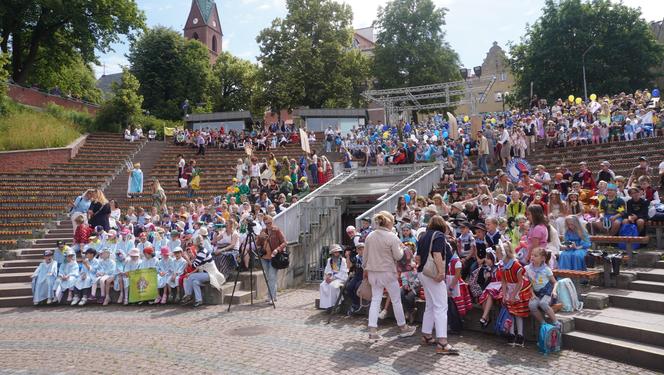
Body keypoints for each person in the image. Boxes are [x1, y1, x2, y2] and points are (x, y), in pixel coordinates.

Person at [363, 211, 417, 341]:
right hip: (387, 272)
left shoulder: (370, 236)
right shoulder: (392, 236)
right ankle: (403, 328)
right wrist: (403, 250)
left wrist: (366, 269)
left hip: (373, 272)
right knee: (396, 300)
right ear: (389, 222)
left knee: (376, 300)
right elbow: (398, 256)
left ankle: (372, 330)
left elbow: (364, 258)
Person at [415, 215, 459, 355]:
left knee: (431, 305)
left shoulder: (423, 236)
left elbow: (418, 257)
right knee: (441, 306)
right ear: (442, 226)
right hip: (432, 274)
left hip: (423, 272)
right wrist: (441, 272)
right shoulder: (439, 235)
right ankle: (442, 342)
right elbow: (437, 253)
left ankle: (427, 335)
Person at [500, 241, 532, 347]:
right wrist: (505, 295)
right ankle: (512, 333)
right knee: (511, 312)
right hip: (510, 288)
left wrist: (513, 295)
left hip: (519, 289)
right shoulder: (503, 266)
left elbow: (520, 281)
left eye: (499, 253)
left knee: (518, 313)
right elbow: (504, 281)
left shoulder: (516, 265)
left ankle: (520, 335)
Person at [256, 215, 286, 304]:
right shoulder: (263, 231)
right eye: (266, 223)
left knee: (272, 277)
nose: (268, 225)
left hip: (274, 258)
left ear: (272, 222)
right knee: (269, 278)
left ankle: (271, 297)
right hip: (264, 258)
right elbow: (258, 244)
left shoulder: (276, 230)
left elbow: (284, 242)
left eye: (269, 223)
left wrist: (277, 250)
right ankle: (274, 296)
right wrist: (260, 237)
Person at [525, 247, 559, 326]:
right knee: (532, 305)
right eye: (532, 255)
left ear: (543, 258)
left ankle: (556, 322)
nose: (532, 257)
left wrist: (554, 291)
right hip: (536, 293)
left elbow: (555, 282)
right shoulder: (527, 269)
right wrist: (532, 294)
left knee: (543, 303)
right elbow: (527, 283)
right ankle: (543, 324)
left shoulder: (546, 269)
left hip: (547, 292)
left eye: (535, 256)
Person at [319, 244, 349, 309]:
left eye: (337, 252)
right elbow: (328, 269)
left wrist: (333, 278)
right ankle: (326, 305)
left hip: (340, 278)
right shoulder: (329, 260)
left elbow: (343, 272)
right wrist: (328, 277)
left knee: (333, 286)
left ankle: (335, 304)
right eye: (335, 252)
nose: (336, 253)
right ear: (332, 253)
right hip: (332, 277)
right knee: (322, 285)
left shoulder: (343, 260)